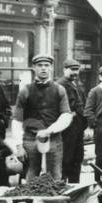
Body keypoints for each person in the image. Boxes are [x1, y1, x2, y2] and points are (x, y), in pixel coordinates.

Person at [8, 54, 73, 182]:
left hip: (53, 139)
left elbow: (66, 115)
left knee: (55, 177)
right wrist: (19, 146)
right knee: (31, 176)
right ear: (34, 68)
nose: (43, 68)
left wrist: (50, 130)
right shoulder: (25, 90)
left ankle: (53, 195)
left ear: (51, 68)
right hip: (30, 138)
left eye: (46, 65)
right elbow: (17, 120)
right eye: (40, 65)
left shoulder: (59, 90)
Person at [57, 59, 87, 183]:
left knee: (77, 157)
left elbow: (82, 104)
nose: (75, 72)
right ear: (64, 70)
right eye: (72, 69)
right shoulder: (60, 85)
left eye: (77, 69)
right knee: (66, 159)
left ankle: (75, 186)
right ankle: (63, 186)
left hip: (78, 127)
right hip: (67, 129)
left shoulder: (76, 85)